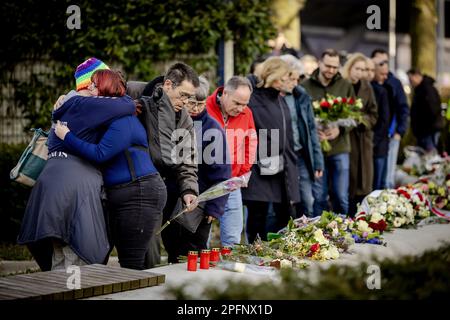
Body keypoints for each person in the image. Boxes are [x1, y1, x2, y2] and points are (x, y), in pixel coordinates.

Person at [17, 58, 136, 271]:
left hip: (51, 184)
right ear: (92, 84)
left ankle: (58, 288)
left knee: (59, 251)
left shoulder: (68, 105)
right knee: (76, 254)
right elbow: (127, 104)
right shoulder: (88, 105)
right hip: (74, 189)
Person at [54, 69, 167, 270]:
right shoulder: (105, 116)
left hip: (139, 191)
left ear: (105, 89)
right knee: (119, 260)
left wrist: (67, 136)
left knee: (131, 263)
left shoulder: (122, 120)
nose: (89, 87)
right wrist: (66, 99)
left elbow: (100, 154)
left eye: (94, 85)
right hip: (124, 192)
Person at [161, 76, 231, 262]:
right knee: (172, 250)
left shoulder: (213, 130)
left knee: (194, 252)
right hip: (170, 200)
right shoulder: (171, 120)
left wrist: (214, 208)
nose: (196, 109)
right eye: (191, 103)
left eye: (201, 104)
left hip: (199, 205)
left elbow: (222, 175)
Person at [138, 62, 200, 268]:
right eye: (183, 95)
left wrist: (189, 189)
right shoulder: (138, 98)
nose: (186, 102)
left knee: (152, 253)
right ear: (167, 85)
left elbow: (187, 159)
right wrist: (69, 98)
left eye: (190, 97)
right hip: (134, 187)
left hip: (162, 192)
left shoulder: (184, 118)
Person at [243, 57, 300, 243]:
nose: (287, 82)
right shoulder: (254, 99)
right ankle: (253, 255)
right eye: (284, 78)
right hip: (260, 169)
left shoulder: (281, 101)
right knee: (257, 217)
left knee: (284, 218)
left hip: (280, 169)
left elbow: (288, 139)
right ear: (273, 77)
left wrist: (292, 172)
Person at [302, 49, 355, 216]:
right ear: (319, 62)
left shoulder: (345, 85)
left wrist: (340, 129)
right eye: (328, 66)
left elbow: (355, 116)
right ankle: (320, 235)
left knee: (341, 196)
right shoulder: (305, 86)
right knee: (319, 196)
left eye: (335, 67)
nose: (331, 70)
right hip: (316, 151)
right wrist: (313, 132)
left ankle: (344, 230)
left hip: (339, 148)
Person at [206, 76, 257, 247]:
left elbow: (251, 141)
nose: (241, 108)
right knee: (200, 237)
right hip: (205, 182)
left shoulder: (246, 113)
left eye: (245, 104)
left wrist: (244, 170)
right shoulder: (204, 108)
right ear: (224, 93)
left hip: (232, 181)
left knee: (233, 239)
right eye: (237, 103)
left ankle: (231, 270)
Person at [279, 54, 324, 217]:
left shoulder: (300, 95)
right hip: (279, 156)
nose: (295, 83)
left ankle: (307, 237)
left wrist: (318, 160)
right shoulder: (270, 96)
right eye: (292, 79)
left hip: (300, 155)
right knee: (280, 204)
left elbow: (311, 129)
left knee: (307, 199)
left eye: (298, 79)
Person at [342, 53, 378, 216]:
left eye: (363, 69)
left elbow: (374, 113)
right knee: (347, 182)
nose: (360, 72)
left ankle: (361, 216)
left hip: (363, 138)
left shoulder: (367, 86)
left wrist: (360, 120)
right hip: (346, 137)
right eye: (357, 68)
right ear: (350, 67)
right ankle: (347, 216)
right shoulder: (342, 84)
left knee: (364, 181)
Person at [371, 49, 409, 188]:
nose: (383, 65)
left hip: (392, 134)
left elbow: (403, 107)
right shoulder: (370, 84)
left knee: (388, 175)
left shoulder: (394, 83)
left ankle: (387, 204)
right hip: (375, 136)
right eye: (380, 62)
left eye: (385, 62)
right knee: (376, 173)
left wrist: (400, 131)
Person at [366, 58, 391, 190]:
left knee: (377, 183)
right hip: (375, 143)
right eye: (382, 74)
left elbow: (384, 120)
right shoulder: (375, 89)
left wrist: (373, 141)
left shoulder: (381, 90)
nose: (385, 77)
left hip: (378, 144)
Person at [407, 68, 444, 153]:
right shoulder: (421, 89)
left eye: (410, 79)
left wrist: (423, 124)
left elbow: (433, 109)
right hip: (425, 130)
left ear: (416, 76)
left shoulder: (426, 89)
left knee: (430, 155)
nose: (410, 82)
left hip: (428, 130)